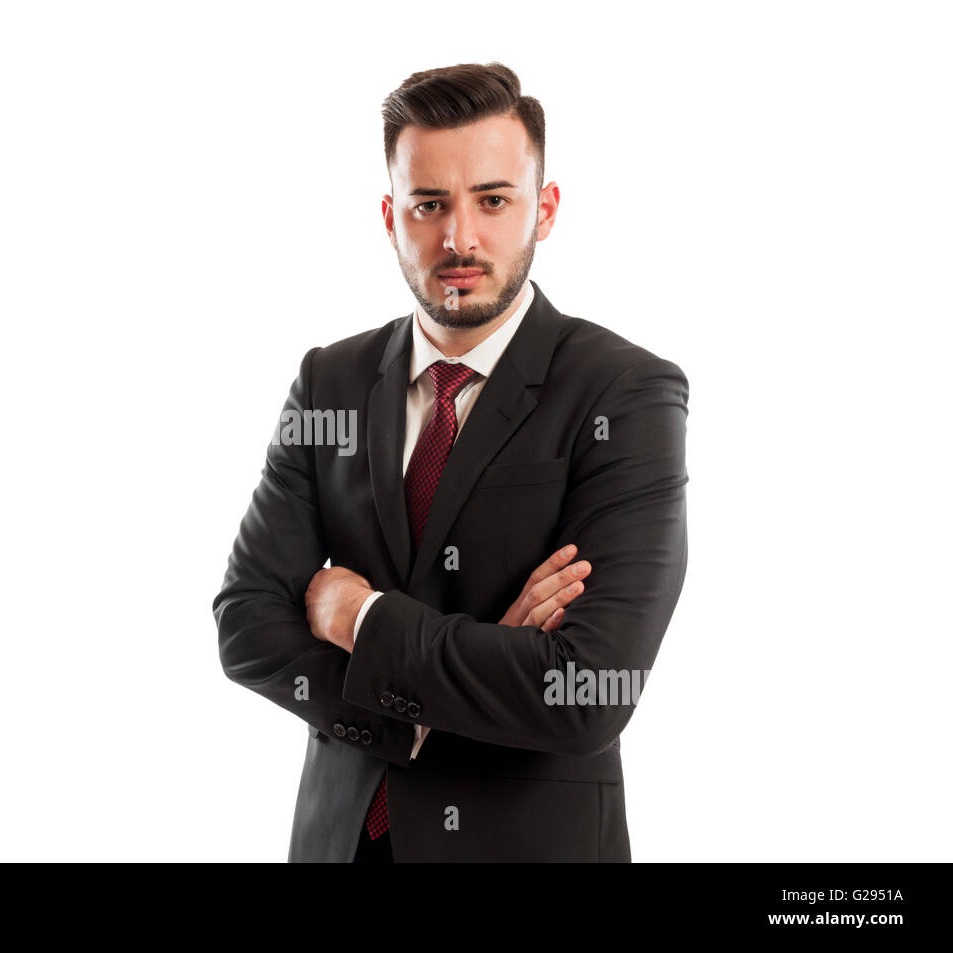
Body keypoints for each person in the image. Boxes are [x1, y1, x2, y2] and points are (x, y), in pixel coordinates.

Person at [213, 61, 688, 862]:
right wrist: (412, 714)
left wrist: (359, 620)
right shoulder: (329, 379)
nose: (458, 237)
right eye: (429, 204)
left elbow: (585, 688)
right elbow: (247, 621)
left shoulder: (625, 393)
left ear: (544, 210)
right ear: (390, 215)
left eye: (492, 200)